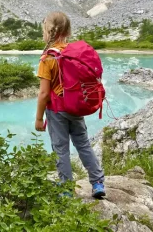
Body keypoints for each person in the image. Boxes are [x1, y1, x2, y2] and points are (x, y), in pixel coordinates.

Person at [35, 11, 106, 198]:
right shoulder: (74, 53)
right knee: (83, 144)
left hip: (56, 111)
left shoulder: (47, 58)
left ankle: (66, 189)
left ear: (49, 30)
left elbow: (43, 94)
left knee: (61, 149)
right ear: (67, 31)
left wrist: (38, 118)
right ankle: (98, 183)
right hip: (76, 107)